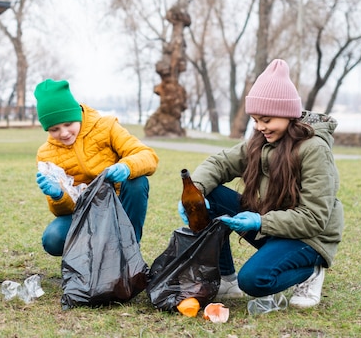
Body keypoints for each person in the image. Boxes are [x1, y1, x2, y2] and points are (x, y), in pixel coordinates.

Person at [178, 59, 344, 312]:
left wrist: (260, 222)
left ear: (288, 114)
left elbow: (314, 218)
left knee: (254, 281)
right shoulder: (260, 140)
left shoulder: (314, 150)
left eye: (266, 119)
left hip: (309, 237)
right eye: (255, 119)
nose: (259, 126)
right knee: (209, 193)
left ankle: (310, 272)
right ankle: (225, 278)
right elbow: (220, 162)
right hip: (271, 222)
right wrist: (195, 192)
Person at [34, 79, 159, 256]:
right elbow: (62, 211)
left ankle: (129, 252)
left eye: (68, 124)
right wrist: (58, 196)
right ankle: (95, 256)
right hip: (85, 213)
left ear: (77, 114)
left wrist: (126, 167)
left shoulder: (106, 127)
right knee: (53, 239)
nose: (63, 133)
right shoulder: (46, 154)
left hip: (118, 206)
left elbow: (148, 156)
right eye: (54, 129)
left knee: (137, 182)